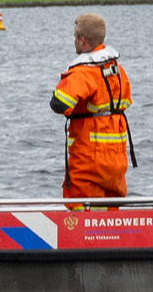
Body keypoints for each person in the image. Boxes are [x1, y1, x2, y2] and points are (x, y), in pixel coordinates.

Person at [50, 12, 134, 200]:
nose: (74, 41)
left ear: (82, 40)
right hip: (116, 160)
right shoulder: (117, 70)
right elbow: (126, 101)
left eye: (74, 37)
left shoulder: (83, 72)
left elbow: (58, 103)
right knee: (111, 213)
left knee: (81, 211)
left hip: (88, 159)